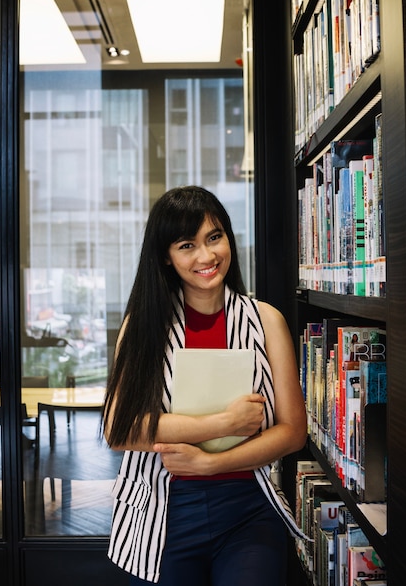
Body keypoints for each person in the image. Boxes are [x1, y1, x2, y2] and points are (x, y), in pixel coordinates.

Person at [101, 185, 307, 586]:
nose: (207, 256)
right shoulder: (142, 327)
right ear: (166, 256)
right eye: (186, 245)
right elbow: (121, 428)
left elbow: (293, 431)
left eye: (214, 237)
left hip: (249, 506)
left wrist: (210, 463)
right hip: (162, 508)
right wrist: (226, 422)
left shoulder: (266, 321)